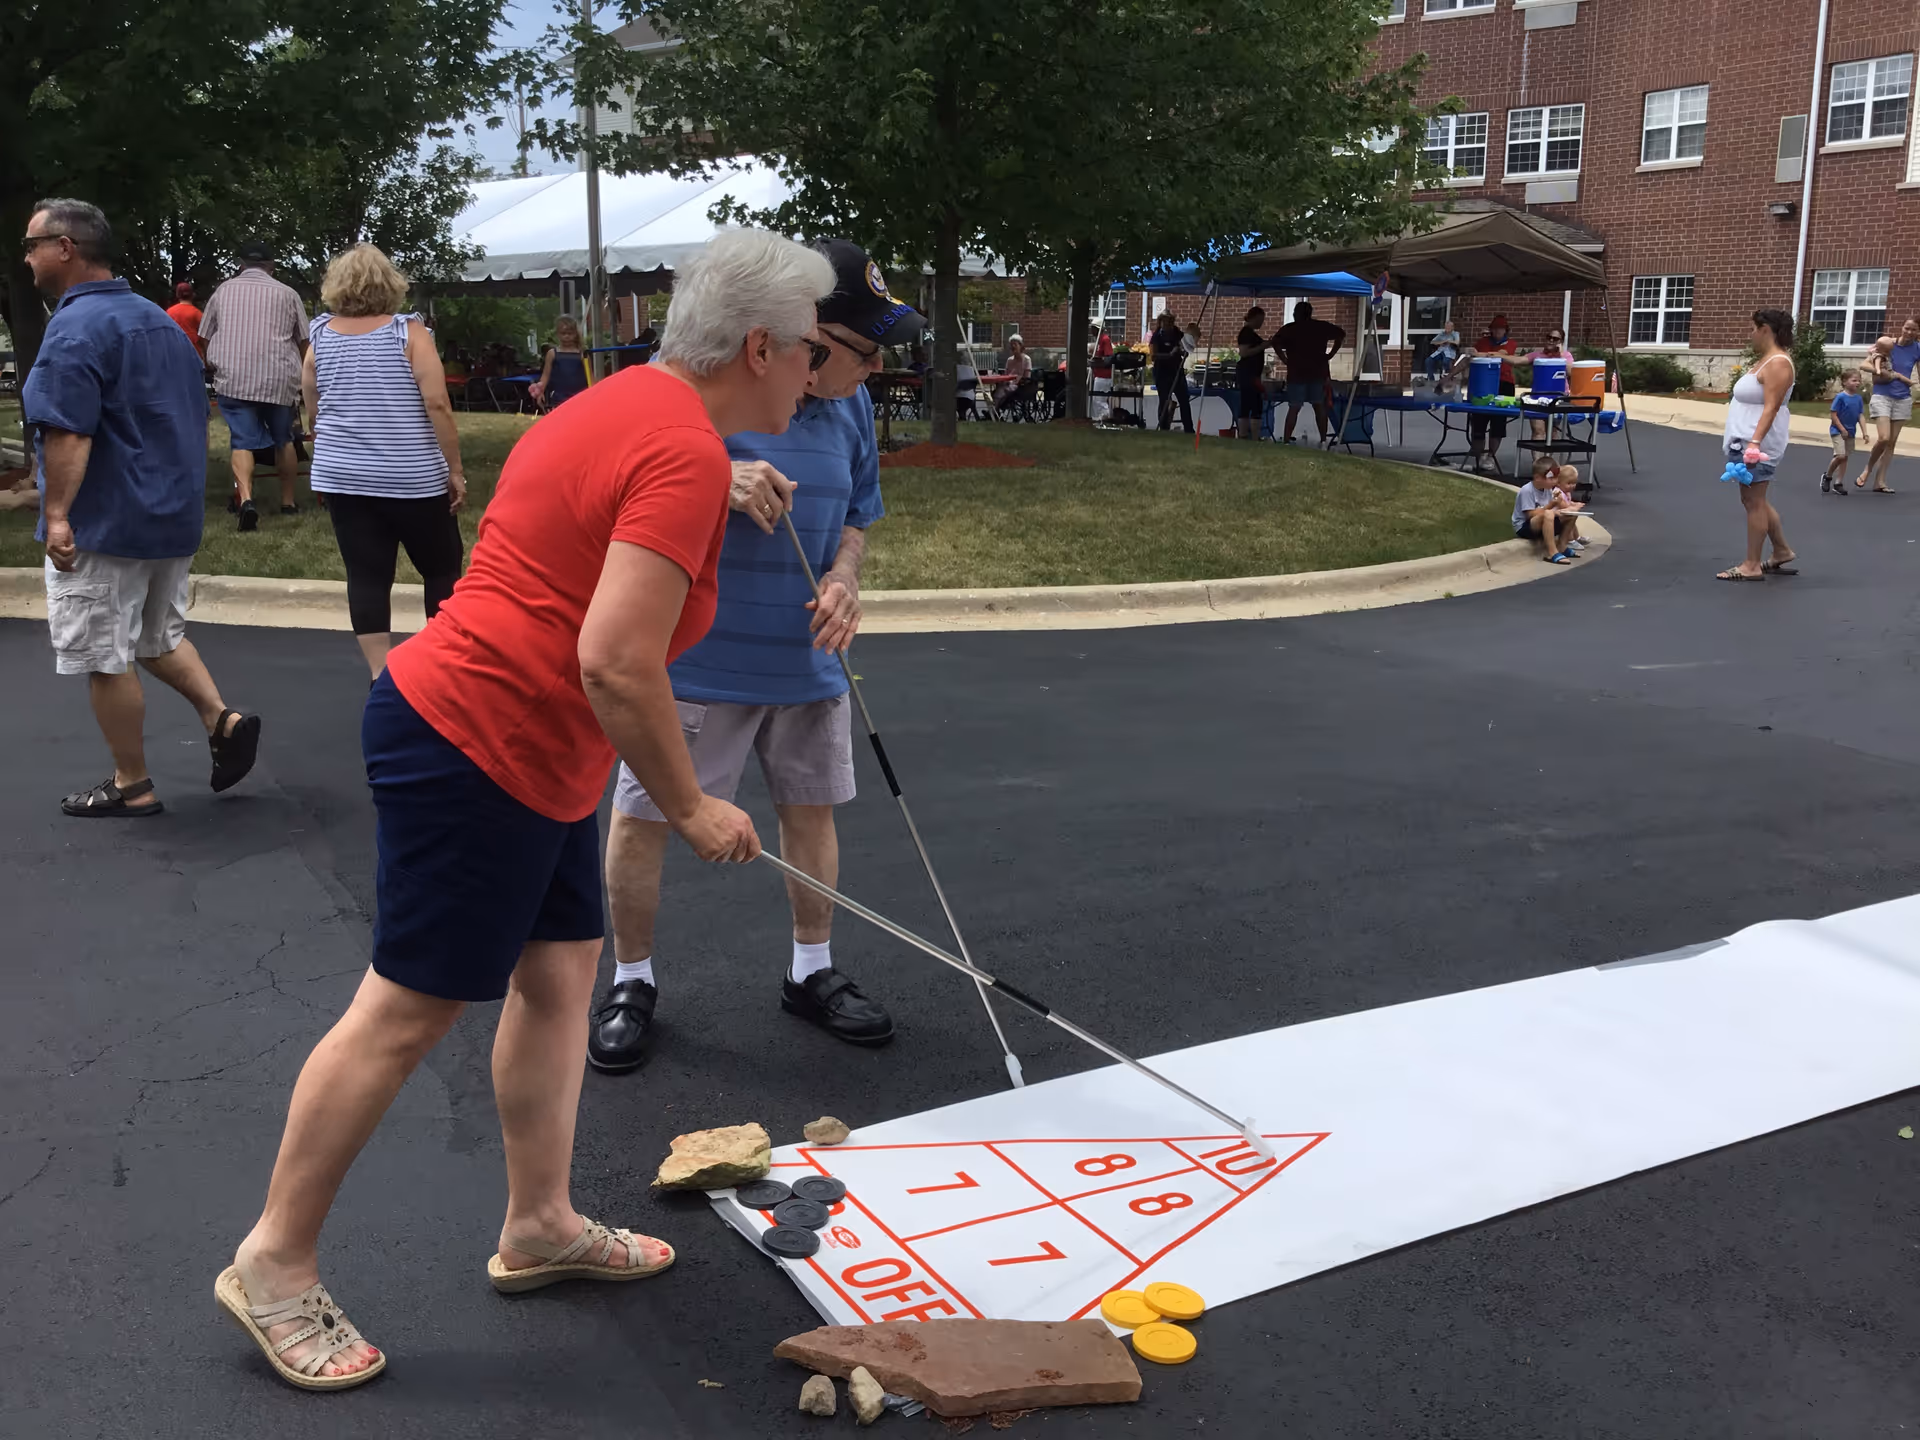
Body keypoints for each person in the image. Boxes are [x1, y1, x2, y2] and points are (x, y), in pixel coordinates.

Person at [217, 229, 829, 1392]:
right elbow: (615, 658)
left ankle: (539, 1223)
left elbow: (591, 586)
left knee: (556, 981)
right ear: (759, 345)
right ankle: (274, 1261)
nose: (817, 372)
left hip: (534, 753)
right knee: (405, 1011)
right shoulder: (681, 450)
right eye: (809, 352)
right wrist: (694, 807)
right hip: (471, 741)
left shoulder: (640, 411)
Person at [589, 239, 915, 1073]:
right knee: (645, 818)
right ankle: (631, 980)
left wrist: (845, 580)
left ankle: (812, 971)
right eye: (863, 351)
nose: (873, 370)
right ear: (805, 338)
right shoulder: (711, 397)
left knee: (812, 813)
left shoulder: (851, 411)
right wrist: (716, 477)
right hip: (701, 661)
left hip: (807, 660)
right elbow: (623, 480)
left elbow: (857, 519)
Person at [21, 198, 261, 817]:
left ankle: (132, 785)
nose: (26, 258)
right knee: (158, 635)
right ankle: (222, 719)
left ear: (66, 248)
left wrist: (56, 516)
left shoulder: (74, 328)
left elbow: (68, 431)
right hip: (169, 515)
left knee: (104, 654)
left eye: (32, 245)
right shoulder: (157, 321)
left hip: (107, 521)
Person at [301, 244, 467, 679]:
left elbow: (311, 399)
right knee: (441, 569)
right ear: (389, 284)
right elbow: (437, 404)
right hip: (412, 475)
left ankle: (380, 673)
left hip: (344, 476)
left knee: (368, 575)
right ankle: (442, 664)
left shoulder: (319, 334)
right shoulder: (408, 332)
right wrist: (454, 469)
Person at [201, 238, 309, 530]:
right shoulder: (288, 294)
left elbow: (204, 336)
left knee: (242, 440)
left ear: (240, 264)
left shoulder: (223, 291)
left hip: (235, 379)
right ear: (271, 266)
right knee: (283, 439)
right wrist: (304, 376)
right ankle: (288, 503)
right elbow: (304, 341)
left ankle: (246, 499)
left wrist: (214, 361)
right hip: (279, 378)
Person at [1717, 308, 1797, 582]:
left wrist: (1754, 442)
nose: (1750, 334)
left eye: (1753, 328)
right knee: (1755, 500)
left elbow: (1772, 407)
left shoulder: (1778, 363)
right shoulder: (1767, 360)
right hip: (1746, 441)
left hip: (1757, 445)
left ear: (1765, 329)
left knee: (1754, 502)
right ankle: (1782, 550)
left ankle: (1751, 564)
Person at [1273, 301, 1346, 445]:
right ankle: (1323, 440)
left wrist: (1285, 359)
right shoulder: (1321, 327)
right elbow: (1341, 334)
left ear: (1297, 314)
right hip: (1318, 372)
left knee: (1294, 407)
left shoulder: (1290, 329)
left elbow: (1275, 343)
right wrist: (1330, 354)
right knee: (1319, 406)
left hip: (1296, 373)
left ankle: (1286, 440)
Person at [1861, 317, 1919, 493]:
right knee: (1883, 438)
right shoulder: (1887, 344)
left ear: (1918, 332)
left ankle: (1880, 481)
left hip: (1903, 398)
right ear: (1902, 327)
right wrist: (1886, 373)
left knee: (1892, 443)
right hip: (1882, 396)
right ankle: (1867, 469)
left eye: (1913, 330)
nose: (1909, 332)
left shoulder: (1917, 349)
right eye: (1907, 328)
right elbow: (1864, 364)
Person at [1456, 315, 1518, 474]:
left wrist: (1479, 354)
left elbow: (1499, 355)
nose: (1498, 331)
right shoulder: (1482, 342)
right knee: (1478, 421)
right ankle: (1478, 456)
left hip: (1504, 384)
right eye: (1495, 328)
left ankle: (1491, 455)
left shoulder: (1510, 344)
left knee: (1498, 423)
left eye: (1501, 328)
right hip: (1481, 384)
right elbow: (1468, 360)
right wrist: (1450, 376)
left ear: (1506, 330)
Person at [1512, 454, 1580, 564]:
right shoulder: (1527, 490)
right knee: (1549, 514)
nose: (1555, 481)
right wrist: (1552, 505)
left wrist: (1564, 508)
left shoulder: (1548, 489)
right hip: (1525, 526)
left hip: (1543, 522)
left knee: (1571, 513)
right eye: (1551, 478)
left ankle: (1562, 546)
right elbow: (1530, 514)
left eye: (1556, 478)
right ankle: (1552, 552)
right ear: (1538, 477)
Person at [1520, 328, 1572, 440]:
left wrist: (1560, 354)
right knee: (1538, 430)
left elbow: (1571, 372)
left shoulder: (1566, 356)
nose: (1551, 340)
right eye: (1549, 337)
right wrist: (1496, 355)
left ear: (1561, 341)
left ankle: (1548, 457)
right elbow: (1517, 361)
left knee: (1552, 432)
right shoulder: (1537, 355)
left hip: (1558, 398)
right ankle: (1538, 458)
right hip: (1538, 397)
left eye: (1555, 339)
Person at [530, 316, 591, 410]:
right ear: (558, 334)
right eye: (563, 333)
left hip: (580, 396)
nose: (566, 336)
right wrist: (540, 392)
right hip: (558, 398)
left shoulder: (582, 354)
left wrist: (596, 393)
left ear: (575, 334)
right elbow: (545, 375)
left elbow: (590, 376)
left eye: (570, 333)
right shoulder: (552, 354)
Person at [1148, 311, 1192, 433]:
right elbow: (1153, 356)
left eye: (1170, 321)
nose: (1167, 324)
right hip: (1162, 372)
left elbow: (1186, 346)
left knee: (1184, 399)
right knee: (1164, 400)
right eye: (1164, 321)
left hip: (1176, 371)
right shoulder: (1156, 336)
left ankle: (1189, 429)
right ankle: (1163, 428)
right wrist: (1169, 355)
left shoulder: (1177, 334)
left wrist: (1184, 352)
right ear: (1160, 322)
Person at [1824, 368, 1865, 495]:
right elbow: (1833, 414)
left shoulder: (1858, 399)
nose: (1857, 383)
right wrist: (1842, 429)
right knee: (1840, 455)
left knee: (1845, 458)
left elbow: (1860, 415)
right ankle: (1828, 476)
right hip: (1837, 430)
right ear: (1845, 382)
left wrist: (1865, 432)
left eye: (1859, 380)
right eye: (1854, 380)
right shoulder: (1840, 397)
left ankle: (1838, 483)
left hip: (1851, 432)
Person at [1234, 307, 1268, 439]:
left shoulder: (1250, 333)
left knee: (1251, 404)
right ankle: (1250, 435)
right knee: (1252, 404)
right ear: (1253, 318)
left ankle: (1249, 435)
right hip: (1248, 373)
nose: (1261, 323)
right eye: (1260, 320)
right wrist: (1262, 346)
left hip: (1252, 373)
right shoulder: (1246, 333)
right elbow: (1244, 352)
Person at [165, 281, 206, 359]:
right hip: (194, 355)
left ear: (177, 295)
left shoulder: (169, 312)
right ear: (192, 295)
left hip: (174, 353)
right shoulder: (197, 313)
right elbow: (203, 337)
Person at [995, 334, 1034, 407]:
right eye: (1011, 345)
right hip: (1007, 384)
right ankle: (995, 410)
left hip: (1019, 385)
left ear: (1021, 346)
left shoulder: (1026, 359)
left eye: (1015, 344)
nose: (1013, 346)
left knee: (1001, 392)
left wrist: (1018, 381)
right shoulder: (1009, 360)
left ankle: (994, 410)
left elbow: (1027, 376)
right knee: (998, 390)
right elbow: (1005, 374)